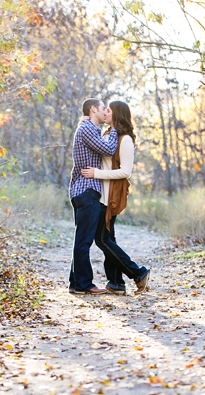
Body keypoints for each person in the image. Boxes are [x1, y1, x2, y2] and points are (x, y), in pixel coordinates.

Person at [79, 100, 151, 295]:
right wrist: (85, 121)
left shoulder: (125, 139)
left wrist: (96, 174)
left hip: (110, 195)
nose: (105, 113)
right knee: (108, 237)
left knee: (102, 239)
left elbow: (125, 171)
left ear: (117, 114)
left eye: (108, 110)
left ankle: (138, 273)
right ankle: (116, 282)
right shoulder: (107, 134)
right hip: (100, 193)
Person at [68, 99, 117, 295]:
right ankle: (84, 284)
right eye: (103, 108)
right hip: (87, 190)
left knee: (82, 239)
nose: (105, 112)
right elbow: (109, 149)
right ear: (93, 109)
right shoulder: (88, 128)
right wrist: (115, 128)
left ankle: (75, 283)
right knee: (84, 241)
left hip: (84, 191)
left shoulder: (89, 129)